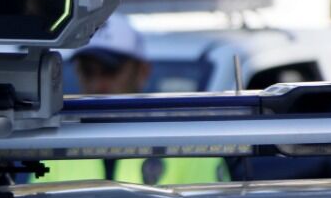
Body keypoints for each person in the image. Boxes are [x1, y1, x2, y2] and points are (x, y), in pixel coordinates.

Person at [39, 14, 229, 185]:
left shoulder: (193, 146)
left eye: (110, 70)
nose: (98, 84)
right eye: (88, 72)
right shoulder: (53, 144)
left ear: (142, 72)